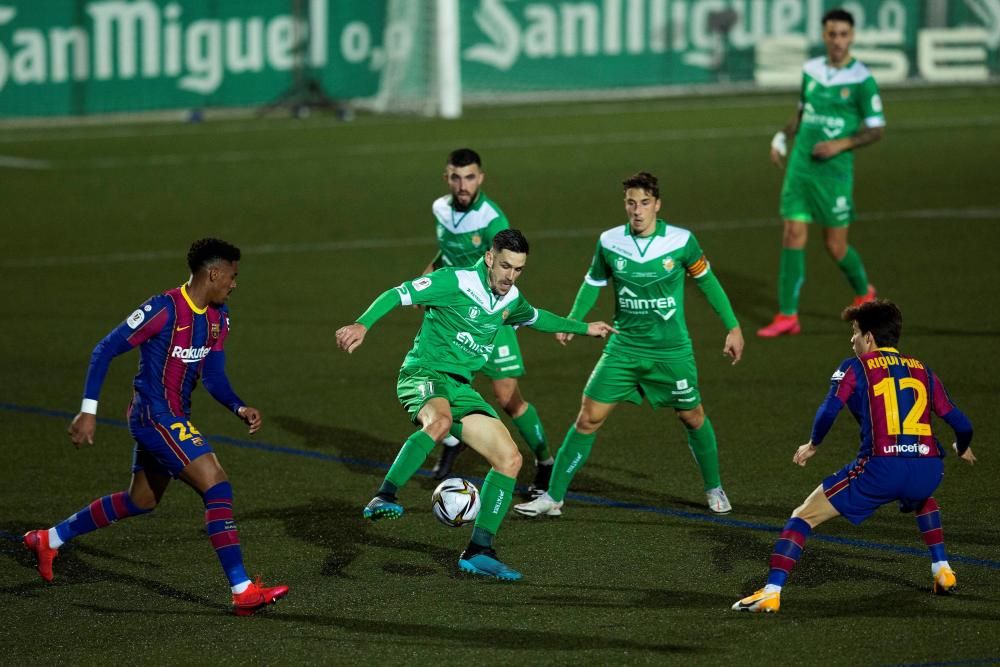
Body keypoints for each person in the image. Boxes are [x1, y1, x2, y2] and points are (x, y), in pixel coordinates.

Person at [23, 239, 288, 616]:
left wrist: (238, 405)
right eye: (232, 276)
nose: (234, 283)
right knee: (216, 483)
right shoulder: (163, 310)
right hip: (154, 415)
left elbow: (212, 375)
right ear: (213, 273)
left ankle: (48, 539)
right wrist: (88, 411)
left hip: (174, 416)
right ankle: (242, 590)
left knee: (141, 500)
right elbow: (104, 350)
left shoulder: (218, 318)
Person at [336, 229, 616, 581]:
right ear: (489, 258)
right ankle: (385, 495)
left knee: (510, 459)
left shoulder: (510, 299)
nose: (509, 276)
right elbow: (398, 293)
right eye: (504, 266)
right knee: (438, 422)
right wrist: (362, 324)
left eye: (517, 269)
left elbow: (538, 317)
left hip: (461, 389)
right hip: (424, 373)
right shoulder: (454, 281)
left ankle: (479, 550)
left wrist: (583, 327)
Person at [514, 172, 744, 519]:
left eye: (645, 203)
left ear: (658, 205)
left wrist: (733, 326)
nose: (637, 211)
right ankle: (554, 497)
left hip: (670, 352)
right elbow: (592, 283)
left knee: (692, 416)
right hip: (623, 349)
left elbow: (707, 282)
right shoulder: (609, 242)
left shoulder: (681, 242)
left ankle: (714, 487)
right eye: (631, 203)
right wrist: (575, 322)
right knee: (588, 417)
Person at [734, 300, 975, 613]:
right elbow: (962, 422)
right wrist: (961, 445)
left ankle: (771, 591)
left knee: (803, 515)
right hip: (929, 469)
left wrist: (813, 444)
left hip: (881, 469)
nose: (852, 340)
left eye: (856, 333)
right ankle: (942, 568)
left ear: (870, 338)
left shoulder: (853, 366)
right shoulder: (923, 370)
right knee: (920, 497)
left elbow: (829, 409)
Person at [422, 148, 554, 498]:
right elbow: (448, 252)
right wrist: (430, 273)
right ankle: (453, 439)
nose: (462, 185)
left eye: (469, 177)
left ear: (481, 178)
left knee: (507, 396)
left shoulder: (493, 220)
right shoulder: (440, 209)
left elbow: (508, 272)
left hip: (490, 316)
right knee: (443, 379)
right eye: (455, 177)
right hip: (454, 315)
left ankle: (545, 462)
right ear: (446, 177)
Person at [758, 8, 885, 338]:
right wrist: (783, 136)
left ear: (852, 37)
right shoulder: (812, 70)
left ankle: (864, 293)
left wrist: (841, 144)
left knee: (835, 246)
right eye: (832, 34)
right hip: (801, 166)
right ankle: (787, 316)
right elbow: (803, 111)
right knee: (792, 233)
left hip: (834, 172)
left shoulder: (862, 79)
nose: (838, 41)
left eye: (844, 34)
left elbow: (876, 129)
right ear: (824, 36)